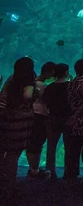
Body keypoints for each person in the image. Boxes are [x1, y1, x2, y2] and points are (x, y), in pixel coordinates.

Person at [0, 57, 36, 202]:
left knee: (2, 150)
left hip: (5, 118)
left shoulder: (11, 78)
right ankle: (10, 188)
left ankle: (2, 181)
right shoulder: (28, 80)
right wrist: (36, 95)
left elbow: (3, 96)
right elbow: (27, 96)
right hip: (20, 121)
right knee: (13, 155)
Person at [26, 61, 55, 179]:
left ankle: (33, 168)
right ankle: (35, 170)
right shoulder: (42, 86)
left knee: (31, 143)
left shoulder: (33, 82)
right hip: (40, 116)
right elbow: (47, 102)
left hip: (31, 114)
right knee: (36, 143)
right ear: (49, 72)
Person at [43, 63, 71, 179]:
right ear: (66, 72)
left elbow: (46, 103)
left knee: (51, 145)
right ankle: (69, 172)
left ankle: (50, 171)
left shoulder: (49, 87)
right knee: (69, 146)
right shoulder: (70, 86)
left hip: (53, 118)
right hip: (68, 118)